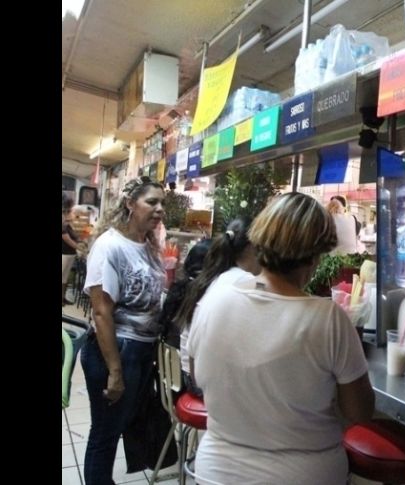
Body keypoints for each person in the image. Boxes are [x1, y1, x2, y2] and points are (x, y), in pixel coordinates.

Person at [188, 192, 374, 484]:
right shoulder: (328, 319)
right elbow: (360, 411)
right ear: (315, 255)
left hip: (216, 472)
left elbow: (198, 375)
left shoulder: (213, 300)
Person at [79, 176, 166, 485]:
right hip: (116, 351)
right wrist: (115, 372)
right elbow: (102, 312)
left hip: (140, 350)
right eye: (151, 202)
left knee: (116, 427)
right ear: (130, 204)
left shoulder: (148, 245)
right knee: (105, 432)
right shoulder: (110, 246)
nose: (159, 209)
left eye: (162, 203)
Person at [174, 216, 261, 396]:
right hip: (201, 380)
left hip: (189, 373)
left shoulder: (217, 275)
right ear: (253, 247)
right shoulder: (244, 282)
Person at [62, 193, 80, 306]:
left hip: (69, 253)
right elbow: (66, 238)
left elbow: (73, 234)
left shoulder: (67, 219)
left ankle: (63, 298)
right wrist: (79, 247)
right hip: (63, 252)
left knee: (65, 278)